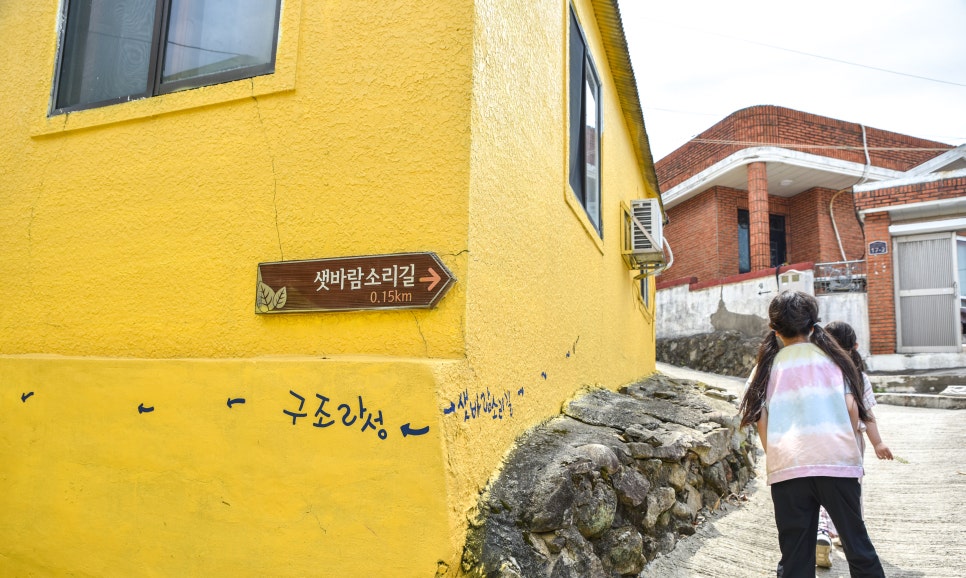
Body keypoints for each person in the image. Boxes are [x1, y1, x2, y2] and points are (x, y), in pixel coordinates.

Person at [739, 291, 885, 577]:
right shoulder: (838, 361)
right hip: (837, 463)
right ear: (813, 325)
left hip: (788, 467)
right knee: (858, 547)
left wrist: (778, 454)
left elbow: (760, 418)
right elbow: (851, 407)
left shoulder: (766, 367)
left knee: (795, 557)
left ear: (774, 329)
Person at [815, 321, 893, 568]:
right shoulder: (859, 377)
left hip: (818, 440)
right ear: (855, 346)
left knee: (817, 487)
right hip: (851, 443)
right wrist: (878, 443)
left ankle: (821, 533)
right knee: (850, 489)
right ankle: (844, 533)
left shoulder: (816, 373)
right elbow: (867, 415)